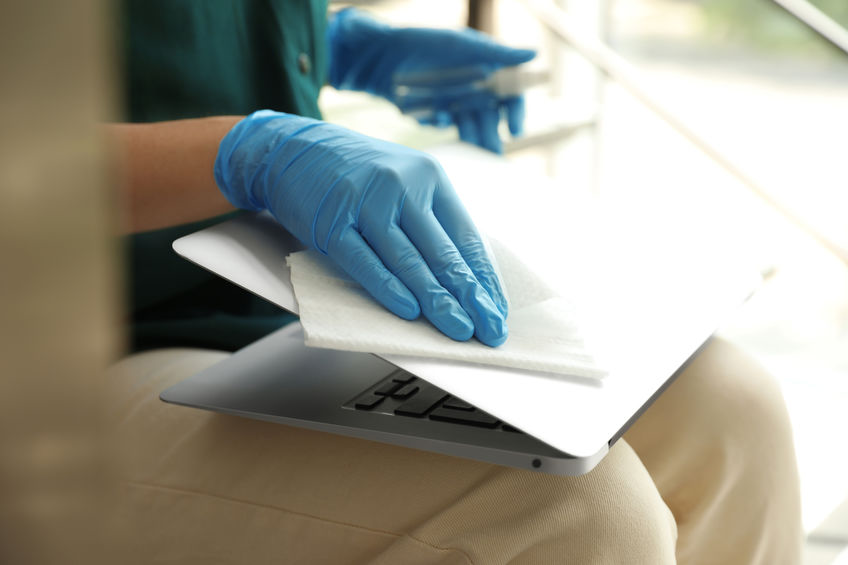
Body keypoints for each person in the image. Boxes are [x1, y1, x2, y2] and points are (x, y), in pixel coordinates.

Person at [109, 2, 803, 563]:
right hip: (80, 357)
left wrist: (339, 43)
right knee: (576, 514)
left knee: (734, 408)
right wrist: (245, 154)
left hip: (279, 305)